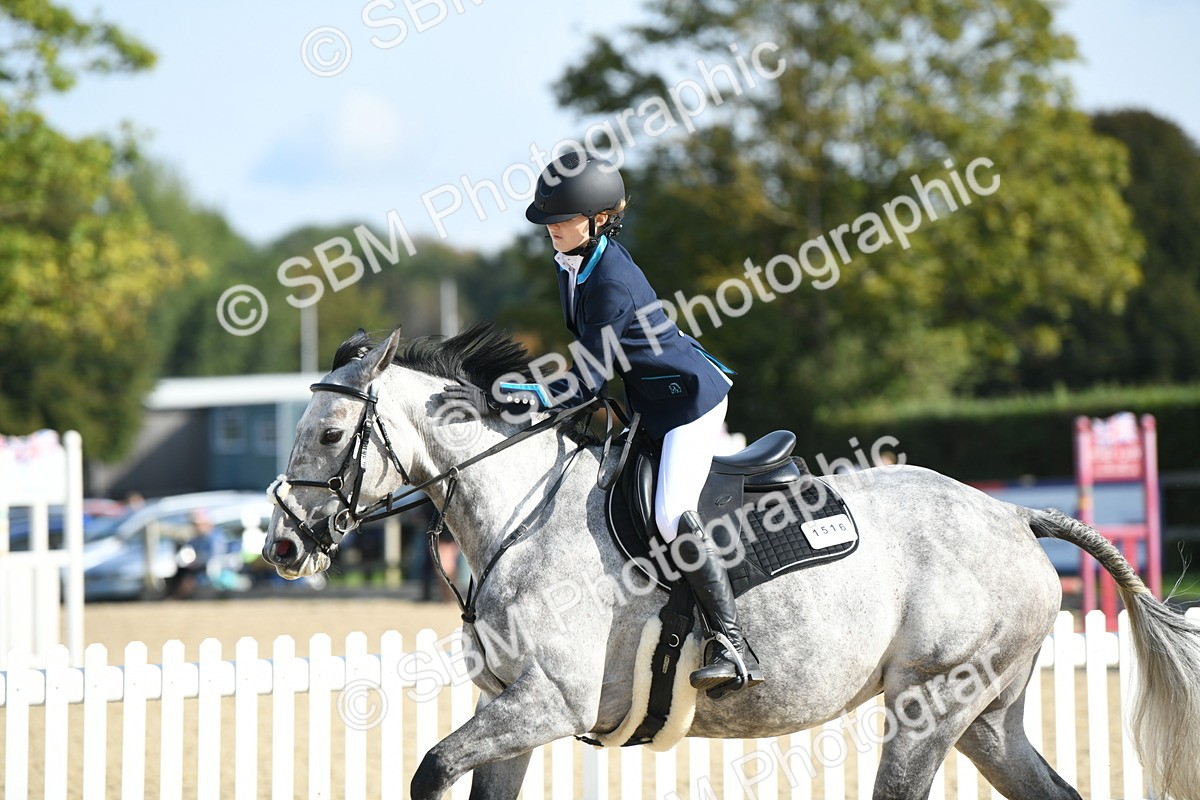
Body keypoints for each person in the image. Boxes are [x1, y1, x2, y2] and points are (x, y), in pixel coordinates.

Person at [442, 152, 761, 696]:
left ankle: (731, 643)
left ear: (600, 220)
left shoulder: (609, 279)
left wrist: (527, 392)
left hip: (687, 404)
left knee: (667, 513)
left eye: (564, 219)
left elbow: (588, 382)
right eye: (550, 220)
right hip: (649, 402)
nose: (553, 229)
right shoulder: (576, 261)